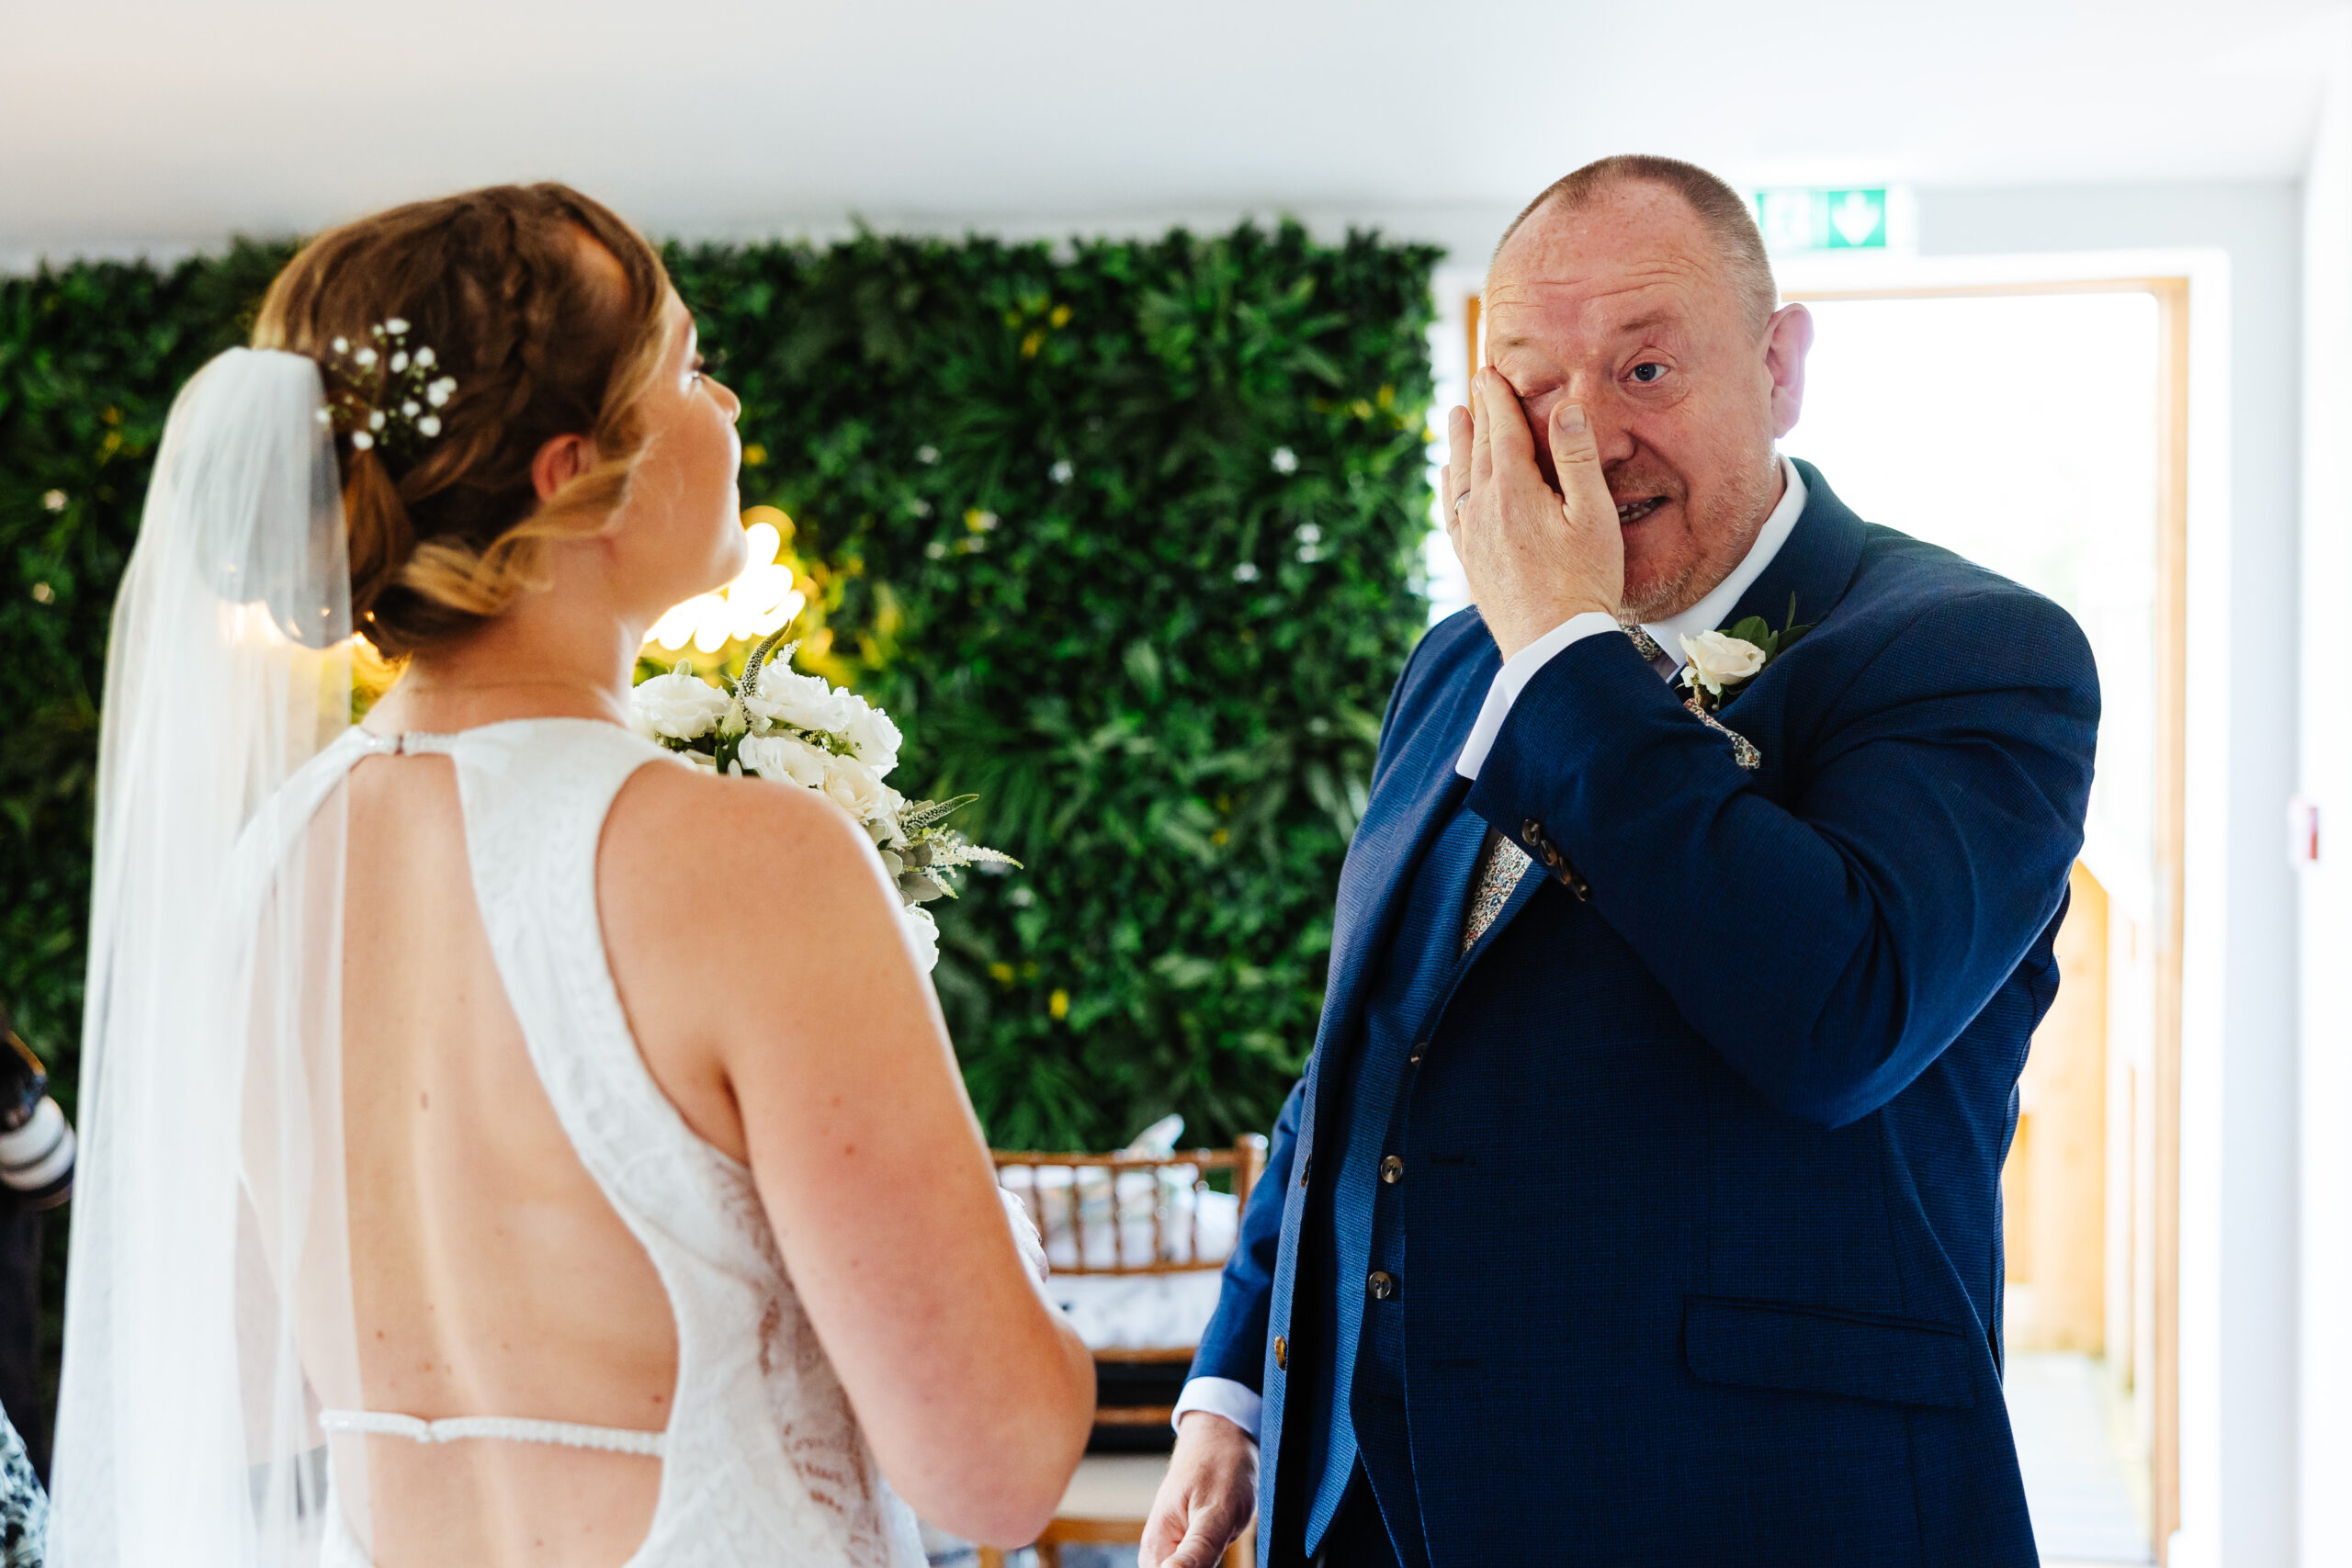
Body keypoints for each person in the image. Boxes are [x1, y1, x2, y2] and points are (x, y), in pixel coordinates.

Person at [50, 184, 1092, 1567]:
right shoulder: (748, 865)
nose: (725, 409)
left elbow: (244, 1388)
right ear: (566, 475)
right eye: (687, 366)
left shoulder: (270, 868)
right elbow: (996, 1466)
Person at [1143, 155, 2098, 1567]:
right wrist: (1239, 1380)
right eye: (1532, 383)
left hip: (1753, 1505)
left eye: (1645, 370)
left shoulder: (1972, 653)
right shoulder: (1461, 661)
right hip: (1372, 1499)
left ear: (1781, 366)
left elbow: (1836, 1022)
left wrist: (1572, 659)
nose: (1581, 436)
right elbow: (1368, 1050)